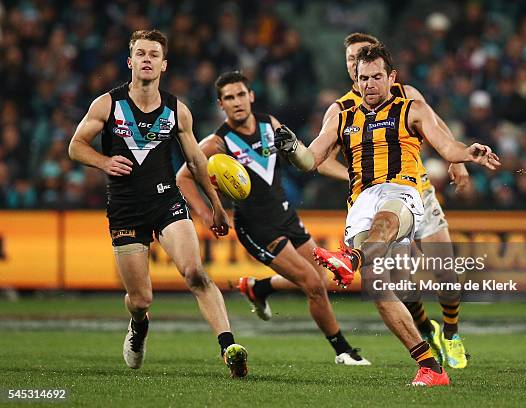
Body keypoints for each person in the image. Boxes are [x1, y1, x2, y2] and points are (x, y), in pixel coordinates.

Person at [274, 43, 500, 386]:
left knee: (438, 269)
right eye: (362, 76)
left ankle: (446, 330)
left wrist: (467, 154)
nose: (368, 83)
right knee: (381, 291)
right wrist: (291, 148)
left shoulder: (412, 106)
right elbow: (310, 161)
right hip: (362, 200)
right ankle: (429, 366)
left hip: (406, 191)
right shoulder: (340, 114)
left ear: (390, 77)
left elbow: (447, 146)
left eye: (376, 76)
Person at [67, 30, 248, 377]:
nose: (147, 59)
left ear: (163, 65)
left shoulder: (177, 110)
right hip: (125, 209)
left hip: (167, 202)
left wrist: (216, 206)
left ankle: (229, 348)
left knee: (195, 273)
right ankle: (138, 325)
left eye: (154, 54)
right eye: (141, 53)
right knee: (141, 300)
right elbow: (75, 146)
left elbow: (197, 162)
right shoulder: (107, 104)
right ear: (130, 61)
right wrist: (103, 162)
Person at [176, 71, 370, 366]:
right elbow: (183, 177)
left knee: (319, 277)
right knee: (312, 285)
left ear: (251, 96)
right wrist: (208, 212)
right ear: (221, 104)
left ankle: (259, 288)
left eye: (241, 95)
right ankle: (344, 351)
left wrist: (296, 149)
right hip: (257, 226)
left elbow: (300, 158)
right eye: (229, 98)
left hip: (286, 215)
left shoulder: (270, 125)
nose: (237, 102)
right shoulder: (217, 143)